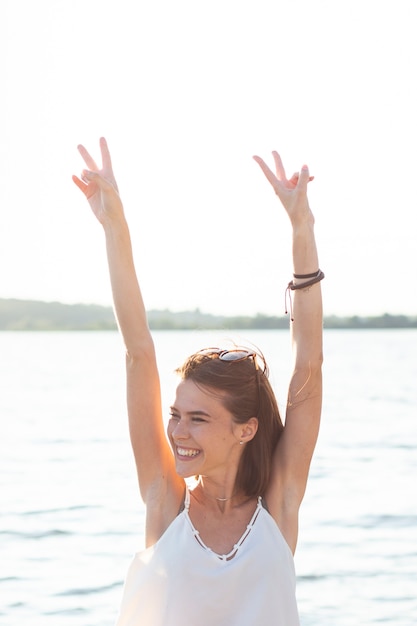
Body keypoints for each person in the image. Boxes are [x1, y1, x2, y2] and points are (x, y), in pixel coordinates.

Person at [72, 139, 324, 626]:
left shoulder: (278, 505)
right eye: (176, 414)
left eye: (198, 418)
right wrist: (114, 225)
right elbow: (139, 353)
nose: (178, 432)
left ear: (246, 428)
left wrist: (302, 228)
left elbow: (308, 363)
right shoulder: (166, 503)